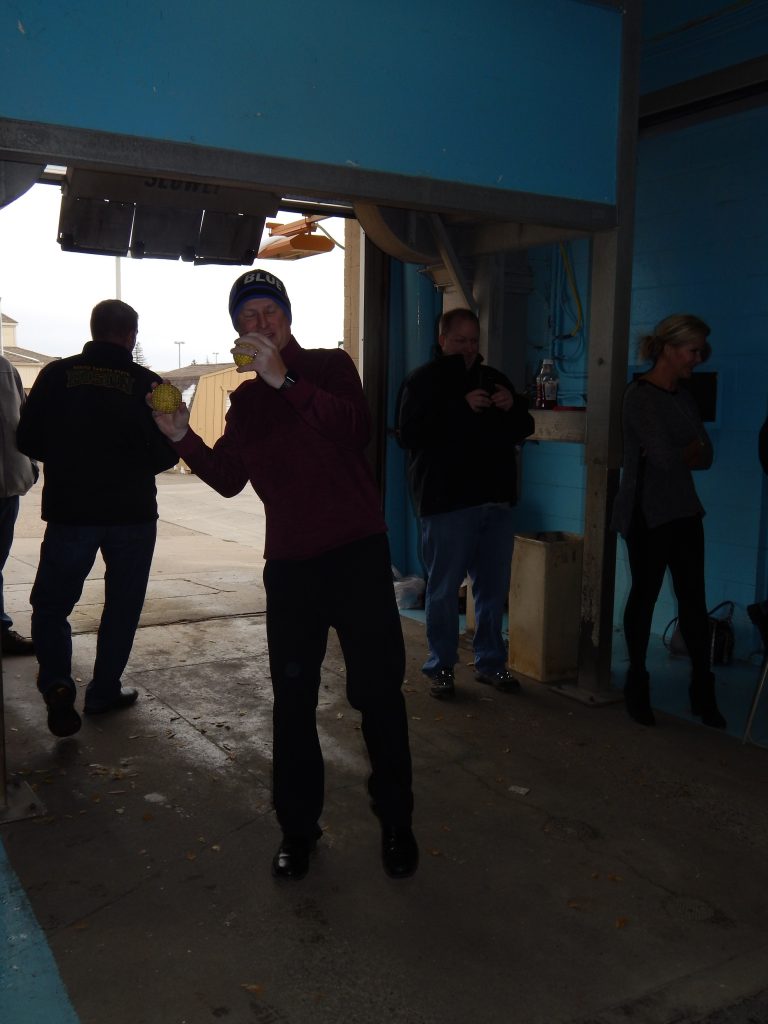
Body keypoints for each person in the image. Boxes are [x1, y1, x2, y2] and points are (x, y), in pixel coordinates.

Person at [149, 269, 417, 883]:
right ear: (237, 329)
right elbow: (227, 479)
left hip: (357, 554)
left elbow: (355, 429)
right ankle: (298, 829)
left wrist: (285, 378)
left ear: (287, 318)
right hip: (292, 568)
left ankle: (397, 820)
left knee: (378, 693)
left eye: (269, 310)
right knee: (293, 703)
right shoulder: (244, 403)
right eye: (248, 316)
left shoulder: (329, 367)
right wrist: (181, 436)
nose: (260, 322)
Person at [16, 299, 178, 738]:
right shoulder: (152, 384)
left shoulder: (55, 375)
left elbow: (26, 438)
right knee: (123, 605)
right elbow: (171, 448)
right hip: (132, 514)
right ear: (131, 335)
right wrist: (132, 465)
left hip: (71, 513)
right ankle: (103, 691)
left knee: (52, 605)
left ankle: (57, 683)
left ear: (93, 330)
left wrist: (69, 460)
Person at [396, 307, 535, 700]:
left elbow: (524, 427)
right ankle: (440, 667)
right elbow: (408, 435)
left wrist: (512, 405)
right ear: (442, 340)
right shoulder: (422, 381)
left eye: (474, 340)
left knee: (492, 590)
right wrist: (459, 407)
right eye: (460, 340)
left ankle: (491, 663)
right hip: (447, 503)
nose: (469, 348)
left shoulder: (493, 379)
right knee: (443, 591)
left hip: (495, 501)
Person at [611, 313, 725, 729]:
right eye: (694, 350)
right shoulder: (640, 396)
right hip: (647, 512)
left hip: (684, 510)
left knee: (694, 599)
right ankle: (636, 684)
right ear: (671, 350)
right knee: (645, 596)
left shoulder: (684, 397)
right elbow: (663, 458)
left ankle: (702, 690)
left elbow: (705, 455)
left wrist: (682, 452)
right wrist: (684, 451)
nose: (699, 358)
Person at [0, 354, 38, 657]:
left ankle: (0, 631)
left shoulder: (6, 369)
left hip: (7, 487)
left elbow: (25, 423)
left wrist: (31, 467)